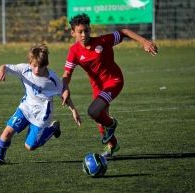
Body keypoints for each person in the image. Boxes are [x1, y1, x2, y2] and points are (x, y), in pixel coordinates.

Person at [61, 13, 158, 158]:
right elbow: (67, 74)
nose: (83, 34)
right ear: (72, 32)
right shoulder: (74, 51)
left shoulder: (103, 41)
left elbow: (124, 32)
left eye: (86, 30)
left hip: (114, 81)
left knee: (94, 112)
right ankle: (113, 145)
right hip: (98, 87)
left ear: (90, 29)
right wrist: (65, 88)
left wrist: (144, 41)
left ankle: (112, 124)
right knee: (100, 120)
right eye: (80, 31)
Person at [0, 43, 81, 166]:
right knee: (7, 133)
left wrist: (74, 111)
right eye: (34, 65)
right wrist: (2, 69)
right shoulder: (24, 69)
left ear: (46, 65)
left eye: (40, 66)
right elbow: (5, 66)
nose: (36, 70)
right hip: (25, 108)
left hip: (42, 114)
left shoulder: (52, 79)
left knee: (30, 146)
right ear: (30, 62)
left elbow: (64, 95)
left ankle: (53, 129)